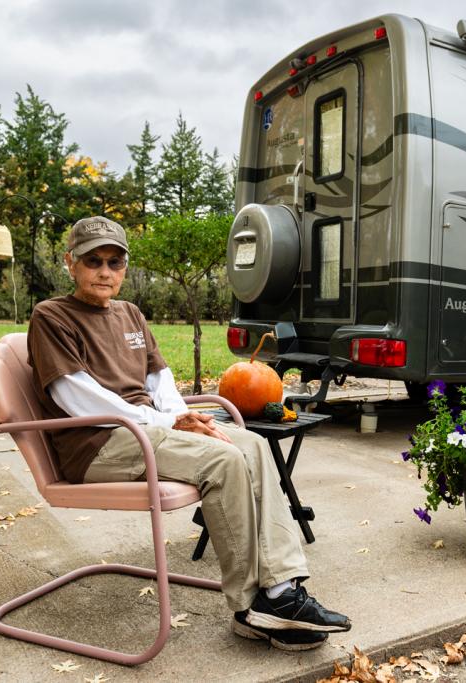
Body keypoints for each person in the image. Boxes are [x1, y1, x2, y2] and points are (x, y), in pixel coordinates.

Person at [26, 216, 350, 651]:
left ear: (125, 267)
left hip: (145, 431)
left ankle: (282, 590)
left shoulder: (130, 313)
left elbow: (160, 379)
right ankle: (252, 604)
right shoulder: (51, 315)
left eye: (115, 261)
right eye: (93, 260)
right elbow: (76, 397)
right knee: (223, 459)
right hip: (98, 443)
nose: (105, 271)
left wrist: (186, 417)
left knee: (250, 443)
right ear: (71, 263)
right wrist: (165, 422)